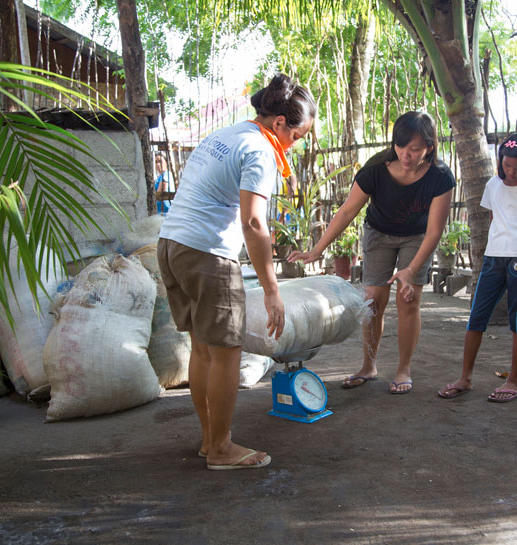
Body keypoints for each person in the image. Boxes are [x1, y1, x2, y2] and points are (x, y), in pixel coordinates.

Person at [157, 74, 315, 470]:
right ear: (279, 123)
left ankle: (210, 440)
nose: (294, 145)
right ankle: (223, 448)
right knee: (227, 353)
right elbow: (255, 224)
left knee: (203, 349)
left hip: (171, 244)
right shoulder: (261, 150)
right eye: (296, 136)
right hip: (207, 254)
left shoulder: (224, 135)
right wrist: (271, 289)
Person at [289, 111, 455, 394]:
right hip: (379, 233)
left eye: (414, 149)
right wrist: (317, 250)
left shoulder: (440, 176)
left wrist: (410, 270)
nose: (406, 154)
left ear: (429, 146)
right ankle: (369, 365)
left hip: (417, 237)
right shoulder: (376, 168)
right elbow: (347, 211)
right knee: (372, 302)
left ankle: (403, 370)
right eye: (400, 146)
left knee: (408, 301)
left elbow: (434, 232)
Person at [438, 132, 517, 403]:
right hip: (493, 258)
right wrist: (502, 242)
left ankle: (513, 381)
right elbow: (494, 219)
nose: (511, 172)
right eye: (506, 165)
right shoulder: (492, 185)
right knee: (477, 317)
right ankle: (465, 378)